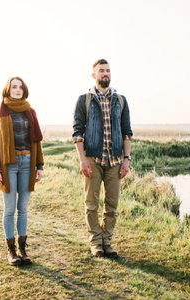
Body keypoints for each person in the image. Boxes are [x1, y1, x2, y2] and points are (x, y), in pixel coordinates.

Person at [72, 59, 133, 257]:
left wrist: (126, 159)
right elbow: (77, 133)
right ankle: (95, 242)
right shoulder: (84, 100)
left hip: (115, 161)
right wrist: (82, 160)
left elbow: (127, 133)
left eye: (107, 70)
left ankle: (107, 241)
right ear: (94, 75)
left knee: (112, 205)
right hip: (92, 160)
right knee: (92, 203)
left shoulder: (120, 100)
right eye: (101, 71)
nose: (105, 74)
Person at [0, 76, 44, 266]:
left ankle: (22, 249)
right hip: (9, 164)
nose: (18, 90)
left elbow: (36, 140)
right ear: (8, 89)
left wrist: (39, 165)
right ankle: (11, 251)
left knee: (23, 209)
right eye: (14, 87)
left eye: (20, 87)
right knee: (10, 208)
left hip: (28, 161)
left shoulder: (30, 111)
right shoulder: (0, 111)